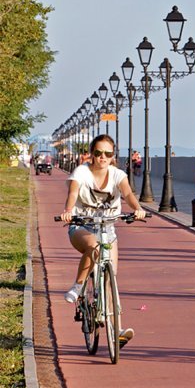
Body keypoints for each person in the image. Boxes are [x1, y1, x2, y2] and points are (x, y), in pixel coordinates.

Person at [59, 134, 146, 347]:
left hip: (108, 230)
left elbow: (128, 193)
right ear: (92, 154)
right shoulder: (81, 172)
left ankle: (117, 331)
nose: (102, 157)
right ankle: (78, 285)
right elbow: (73, 192)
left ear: (113, 155)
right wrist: (69, 211)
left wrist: (138, 209)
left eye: (107, 153)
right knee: (94, 247)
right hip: (82, 226)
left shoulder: (118, 175)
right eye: (98, 153)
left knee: (110, 280)